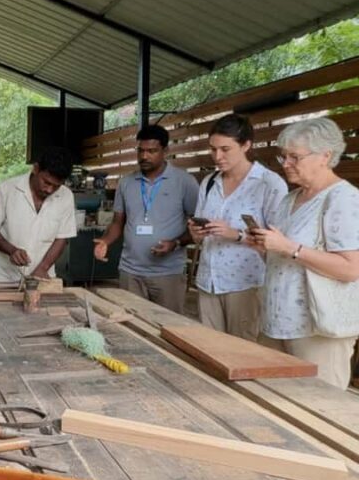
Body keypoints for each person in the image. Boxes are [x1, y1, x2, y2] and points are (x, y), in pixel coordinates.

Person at [249, 118, 359, 390]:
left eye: (294, 156)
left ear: (326, 156)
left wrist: (289, 247)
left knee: (320, 410)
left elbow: (350, 268)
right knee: (270, 404)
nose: (285, 163)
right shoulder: (291, 198)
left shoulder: (343, 199)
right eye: (283, 156)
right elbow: (288, 257)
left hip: (317, 330)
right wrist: (267, 248)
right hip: (276, 322)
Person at [188, 114, 287, 339]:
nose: (217, 156)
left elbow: (280, 242)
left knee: (243, 353)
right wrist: (197, 234)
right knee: (209, 351)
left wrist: (237, 235)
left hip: (246, 284)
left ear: (246, 145)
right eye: (213, 149)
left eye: (225, 149)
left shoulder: (269, 184)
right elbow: (200, 238)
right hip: (208, 282)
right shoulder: (209, 182)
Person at [94, 124, 198, 314]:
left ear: (165, 150)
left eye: (152, 151)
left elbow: (196, 228)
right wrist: (106, 241)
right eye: (140, 150)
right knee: (131, 327)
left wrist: (175, 243)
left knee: (168, 328)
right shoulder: (126, 183)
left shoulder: (185, 182)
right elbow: (118, 221)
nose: (144, 156)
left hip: (168, 274)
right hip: (130, 272)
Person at [0, 148, 76, 282]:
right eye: (46, 182)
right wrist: (12, 250)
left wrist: (43, 268)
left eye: (56, 186)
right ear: (36, 169)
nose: (50, 190)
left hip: (42, 277)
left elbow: (62, 238)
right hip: (4, 278)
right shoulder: (8, 189)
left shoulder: (66, 196)